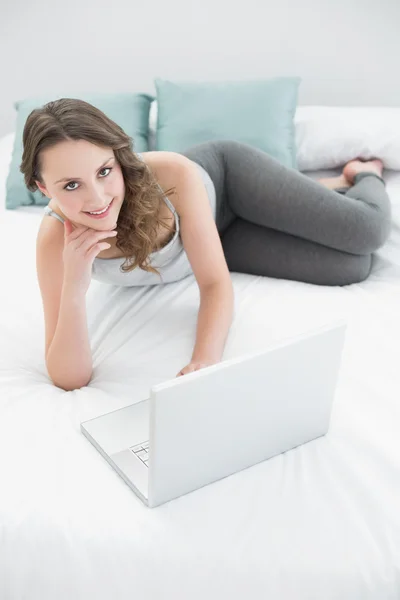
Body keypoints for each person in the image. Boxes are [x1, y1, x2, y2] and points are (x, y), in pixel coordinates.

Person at [21, 98, 392, 391]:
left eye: (104, 171)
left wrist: (204, 362)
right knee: (351, 267)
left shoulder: (170, 172)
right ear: (43, 189)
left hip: (228, 182)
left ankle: (362, 173)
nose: (98, 198)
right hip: (219, 235)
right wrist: (73, 288)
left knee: (366, 231)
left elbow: (214, 284)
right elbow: (70, 378)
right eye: (71, 185)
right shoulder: (55, 241)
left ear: (119, 159)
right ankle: (312, 194)